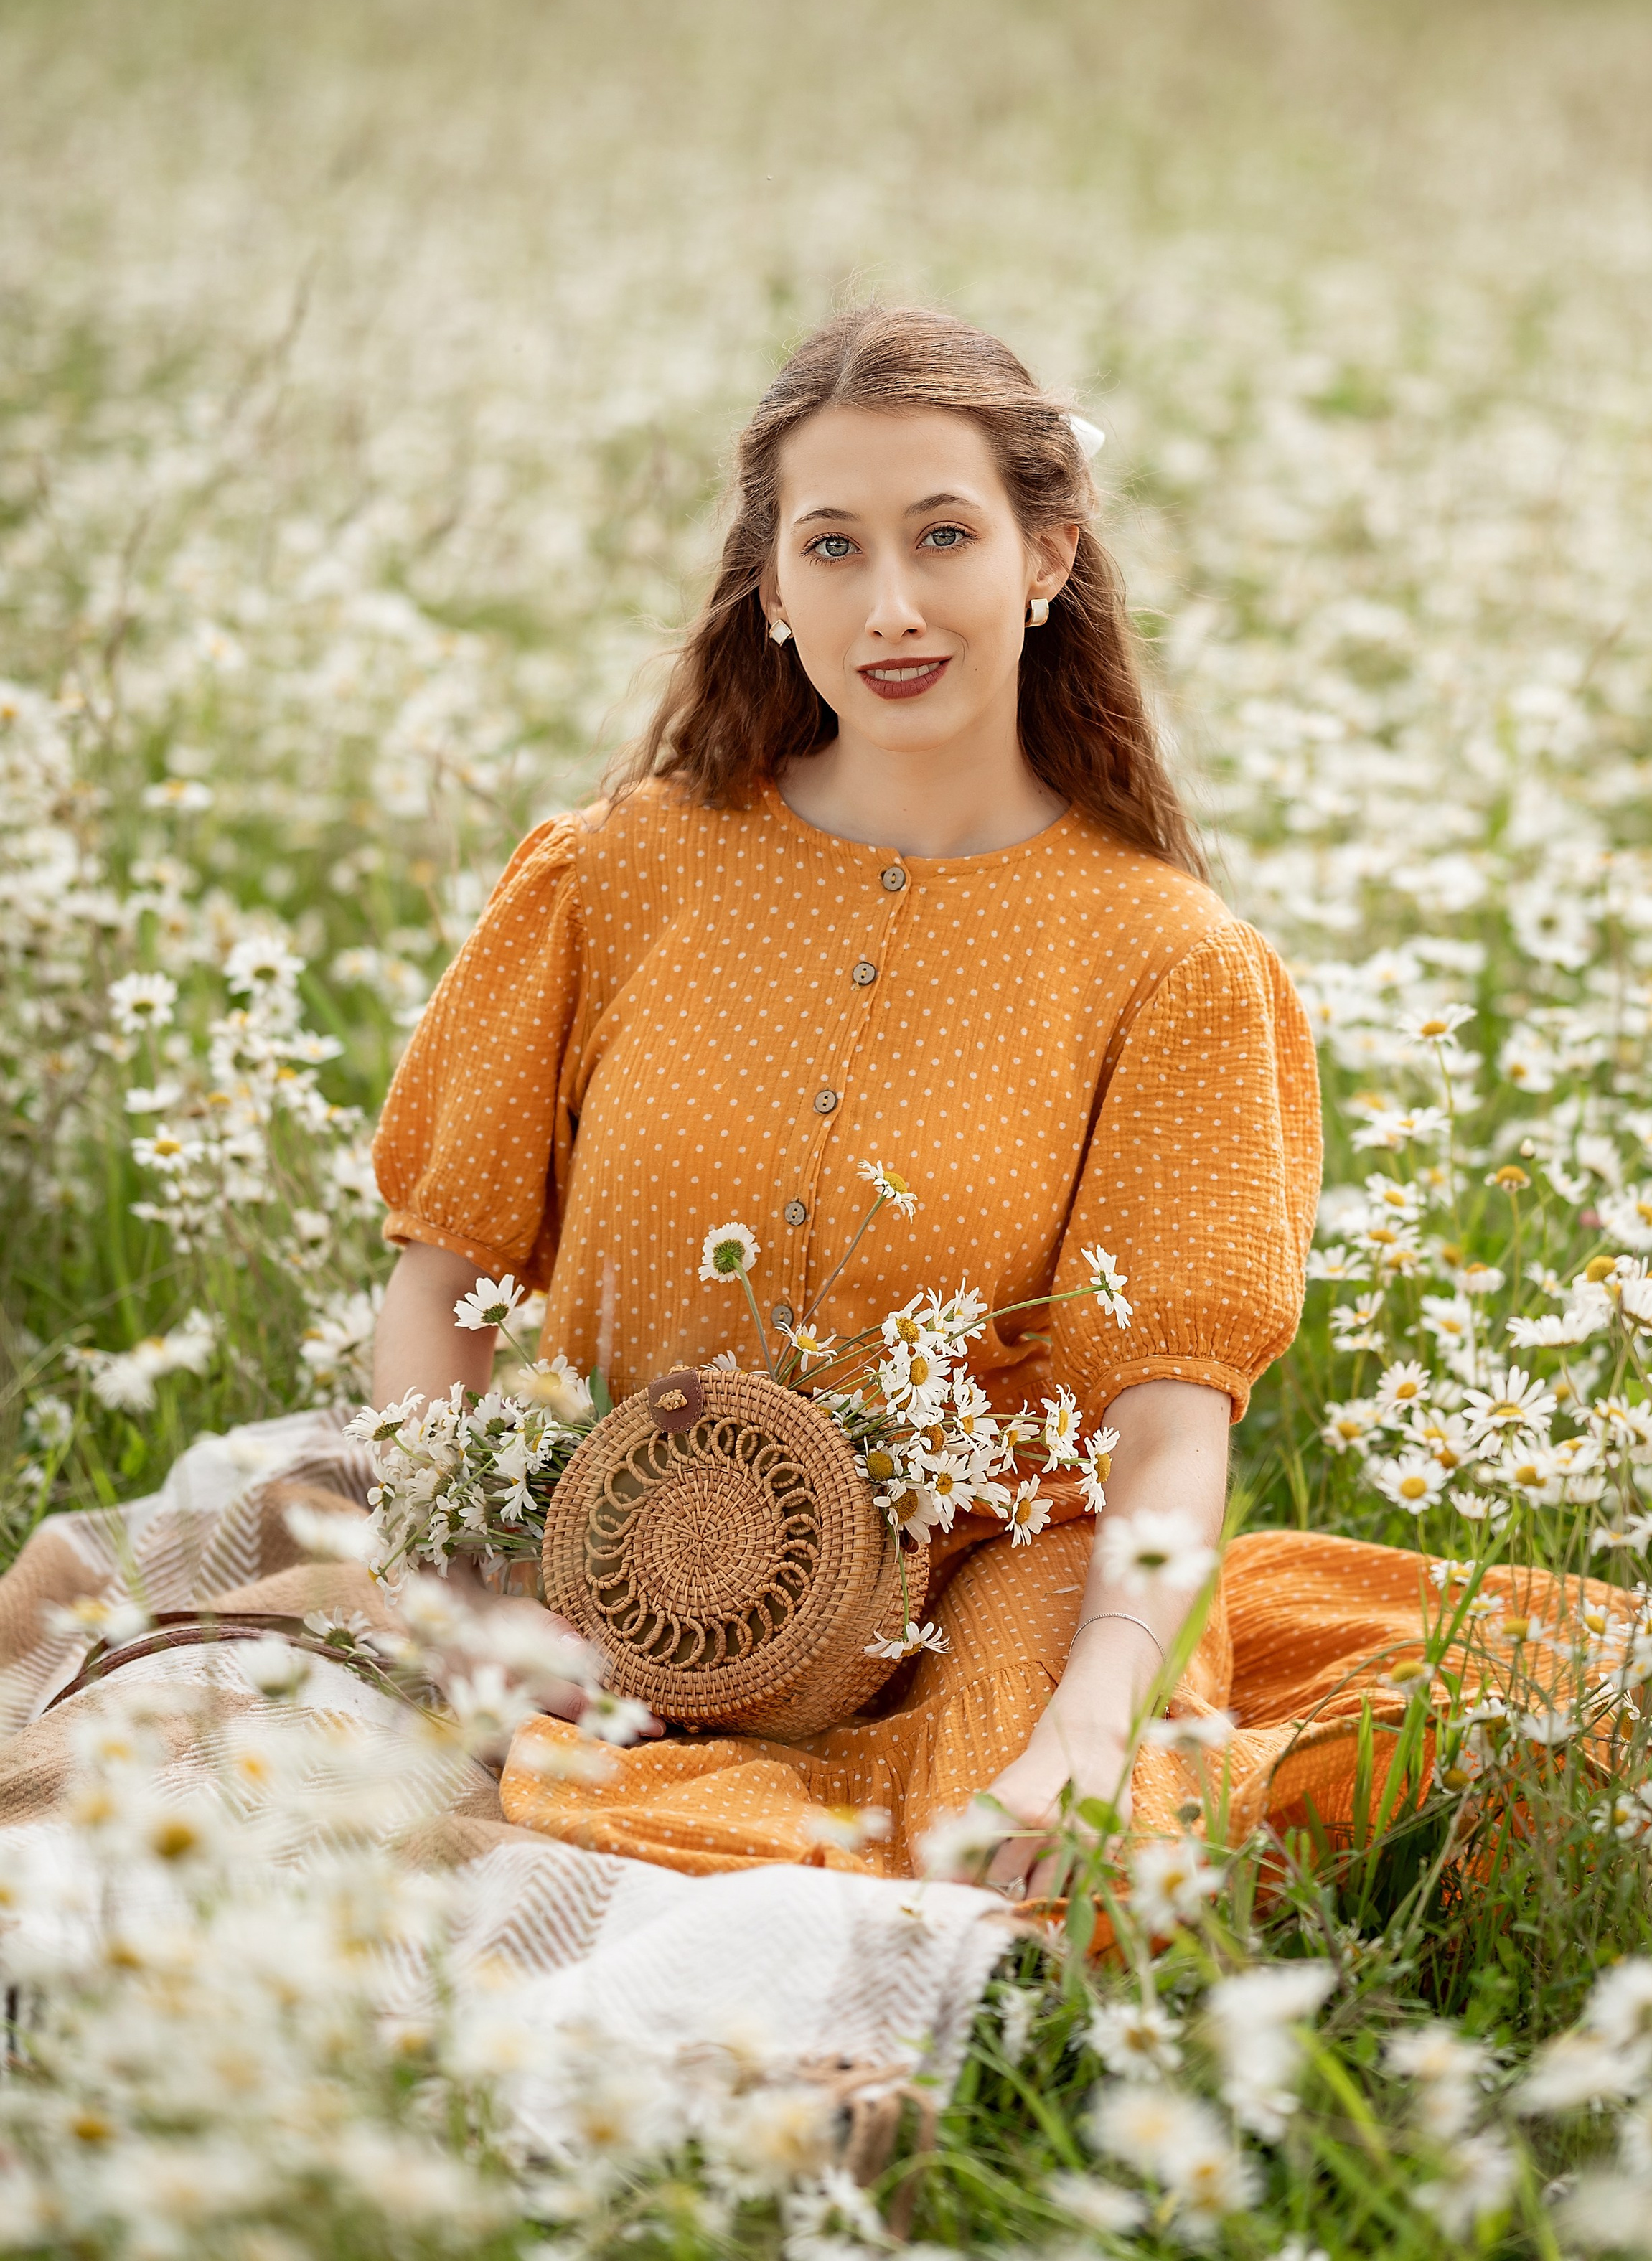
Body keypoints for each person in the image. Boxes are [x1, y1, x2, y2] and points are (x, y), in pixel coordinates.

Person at [367, 306, 1535, 1895]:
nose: (891, 605)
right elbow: (443, 1275)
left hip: (982, 1585)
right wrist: (471, 1604)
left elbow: (1163, 1427)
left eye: (944, 536)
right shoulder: (609, 878)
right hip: (613, 1572)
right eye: (833, 547)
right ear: (769, 585)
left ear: (1044, 556)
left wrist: (1092, 1718)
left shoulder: (1170, 963)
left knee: (1008, 1852)